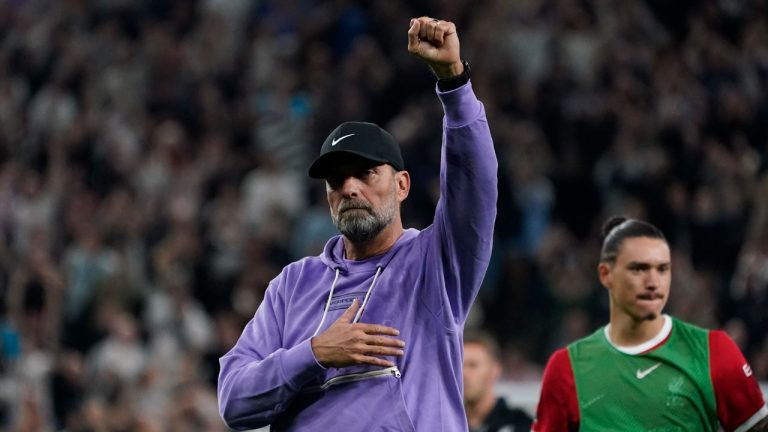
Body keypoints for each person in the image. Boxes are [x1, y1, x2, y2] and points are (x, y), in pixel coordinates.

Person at [217, 16, 497, 431]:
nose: (349, 187)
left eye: (366, 174)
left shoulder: (435, 264)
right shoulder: (293, 285)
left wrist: (454, 84)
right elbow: (235, 400)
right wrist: (313, 353)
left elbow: (475, 182)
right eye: (337, 179)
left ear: (402, 185)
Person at [533, 216, 768, 432]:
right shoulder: (567, 367)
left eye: (662, 269)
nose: (652, 282)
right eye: (638, 269)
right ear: (606, 275)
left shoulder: (713, 351)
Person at [463, 332, 532, 432]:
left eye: (473, 365)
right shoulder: (444, 422)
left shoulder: (521, 424)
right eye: (459, 366)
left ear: (494, 370)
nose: (463, 373)